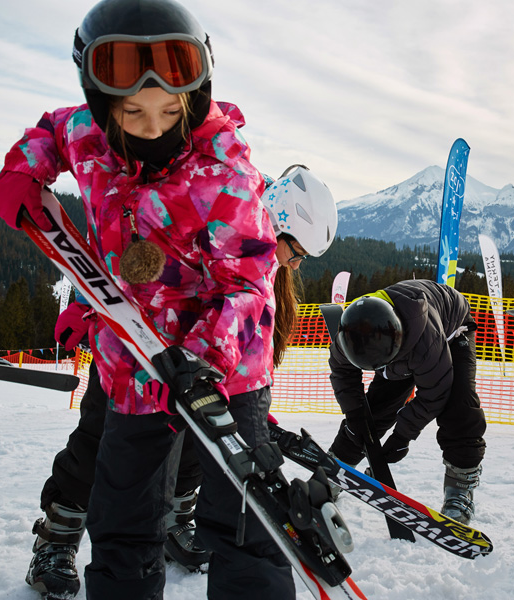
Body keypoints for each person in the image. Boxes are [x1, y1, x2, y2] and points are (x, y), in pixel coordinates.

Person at [0, 1, 338, 597]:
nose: (152, 126)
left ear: (193, 99)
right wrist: (23, 169)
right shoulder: (89, 134)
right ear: (103, 104)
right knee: (122, 522)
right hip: (134, 365)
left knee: (243, 523)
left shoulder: (225, 174)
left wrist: (201, 362)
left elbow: (246, 285)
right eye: (132, 111)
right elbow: (53, 131)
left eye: (170, 110)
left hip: (226, 370)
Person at [18, 164, 337, 599]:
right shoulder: (215, 203)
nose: (295, 264)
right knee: (102, 441)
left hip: (204, 370)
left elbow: (253, 342)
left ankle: (174, 521)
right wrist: (88, 306)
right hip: (139, 350)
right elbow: (132, 251)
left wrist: (255, 413)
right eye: (296, 252)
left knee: (199, 444)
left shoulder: (265, 262)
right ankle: (57, 538)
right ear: (278, 221)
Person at [326, 279, 487, 525]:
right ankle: (336, 469)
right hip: (401, 346)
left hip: (452, 330)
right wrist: (355, 415)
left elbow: (435, 393)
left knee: (460, 407)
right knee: (371, 412)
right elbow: (343, 375)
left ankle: (460, 488)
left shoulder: (426, 344)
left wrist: (402, 437)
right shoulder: (348, 335)